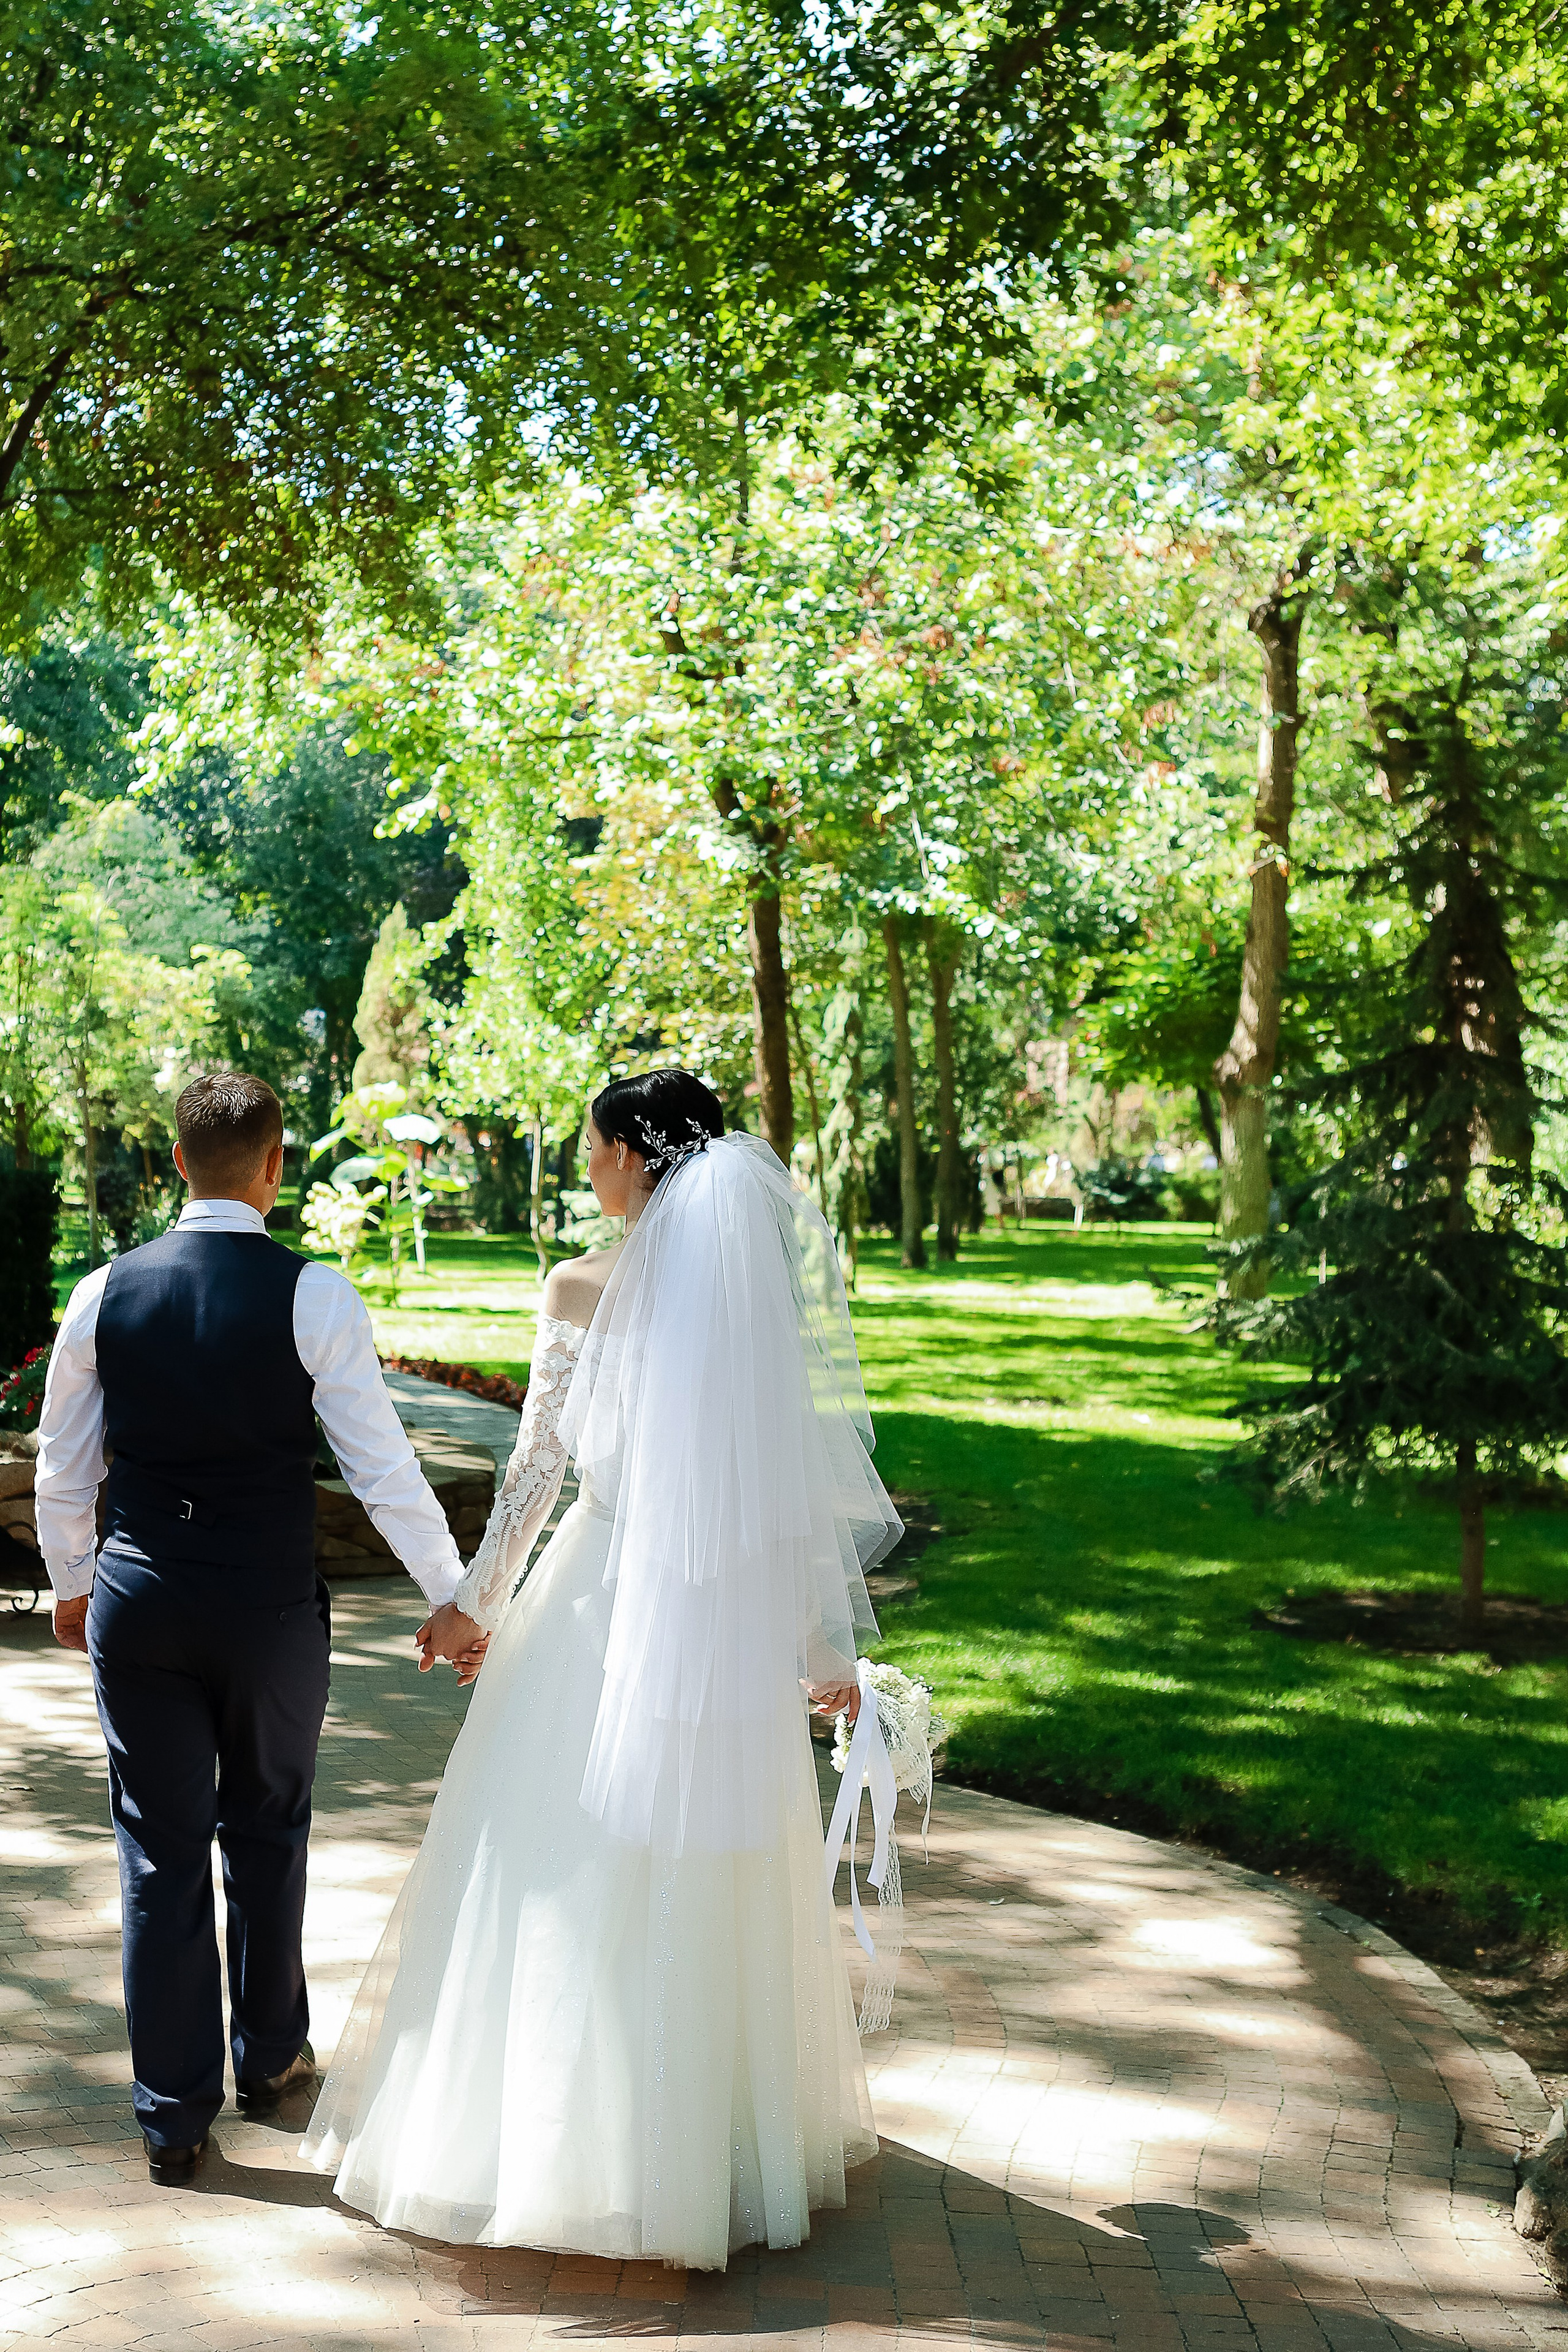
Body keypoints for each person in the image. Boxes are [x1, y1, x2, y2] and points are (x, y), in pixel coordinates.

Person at [303, 1067, 903, 2269]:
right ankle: (716, 2139)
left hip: (594, 1592)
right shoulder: (742, 1304)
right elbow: (772, 1499)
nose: (584, 1166)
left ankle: (556, 2148)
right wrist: (813, 1648)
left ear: (634, 1156)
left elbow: (533, 1476)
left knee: (555, 1864)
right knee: (702, 1870)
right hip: (715, 1618)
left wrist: (472, 1606)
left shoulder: (578, 1287)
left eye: (591, 1147)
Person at [36, 1071, 477, 2188]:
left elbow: (62, 1468)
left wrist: (73, 1582)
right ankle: (270, 2054)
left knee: (157, 1849)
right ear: (276, 1169)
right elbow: (380, 1463)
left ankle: (172, 2116)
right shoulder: (315, 1295)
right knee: (269, 1827)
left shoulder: (100, 1293)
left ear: (177, 1162)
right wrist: (448, 1590)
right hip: (270, 1609)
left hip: (140, 1600)